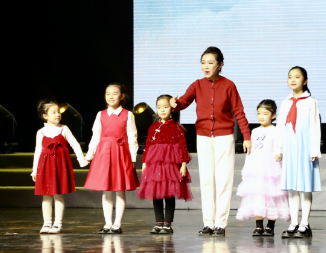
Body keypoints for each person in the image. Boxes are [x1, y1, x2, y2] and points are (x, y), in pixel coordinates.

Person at [170, 46, 250, 236]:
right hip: (204, 136)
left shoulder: (229, 85)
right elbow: (183, 102)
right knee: (206, 180)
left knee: (223, 180)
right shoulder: (197, 85)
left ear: (220, 64)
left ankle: (220, 223)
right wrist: (175, 104)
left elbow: (239, 111)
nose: (206, 66)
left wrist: (246, 136)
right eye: (203, 62)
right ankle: (209, 223)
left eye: (210, 62)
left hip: (224, 136)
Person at [83, 83, 138, 234]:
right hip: (104, 154)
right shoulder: (100, 115)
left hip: (121, 154)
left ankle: (117, 224)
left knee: (120, 189)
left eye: (114, 93)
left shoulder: (128, 115)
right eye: (108, 94)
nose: (111, 96)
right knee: (106, 190)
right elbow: (95, 137)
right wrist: (89, 156)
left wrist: (132, 159)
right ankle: (107, 223)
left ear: (122, 96)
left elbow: (132, 138)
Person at [277, 66, 321, 239]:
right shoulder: (285, 103)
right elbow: (280, 127)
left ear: (305, 81)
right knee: (292, 187)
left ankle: (305, 224)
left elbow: (315, 126)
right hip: (290, 147)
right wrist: (278, 148)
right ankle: (293, 223)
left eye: (297, 77)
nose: (293, 80)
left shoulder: (311, 102)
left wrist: (314, 149)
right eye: (290, 77)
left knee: (305, 186)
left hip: (305, 147)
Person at [138, 95, 193, 234]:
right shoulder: (153, 127)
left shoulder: (177, 128)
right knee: (156, 193)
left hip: (170, 166)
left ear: (172, 109)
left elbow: (183, 147)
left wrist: (183, 165)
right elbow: (148, 146)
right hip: (155, 165)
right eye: (159, 107)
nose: (162, 110)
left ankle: (167, 223)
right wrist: (144, 163)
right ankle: (158, 222)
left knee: (169, 194)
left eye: (165, 107)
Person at [235, 99, 289, 236]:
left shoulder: (276, 130)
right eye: (259, 113)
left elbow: (281, 146)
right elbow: (251, 151)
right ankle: (258, 226)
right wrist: (248, 168)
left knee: (272, 195)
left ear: (273, 115)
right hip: (257, 167)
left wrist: (279, 153)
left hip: (271, 168)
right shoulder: (254, 131)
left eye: (265, 113)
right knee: (257, 195)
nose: (261, 116)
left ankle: (270, 226)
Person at [32, 100, 87, 233]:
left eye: (59, 112)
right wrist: (34, 170)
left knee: (58, 195)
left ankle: (57, 224)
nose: (58, 114)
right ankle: (46, 223)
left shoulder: (64, 129)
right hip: (46, 167)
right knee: (46, 196)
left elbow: (74, 144)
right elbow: (38, 151)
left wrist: (81, 160)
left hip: (60, 166)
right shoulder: (41, 132)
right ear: (45, 116)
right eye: (54, 112)